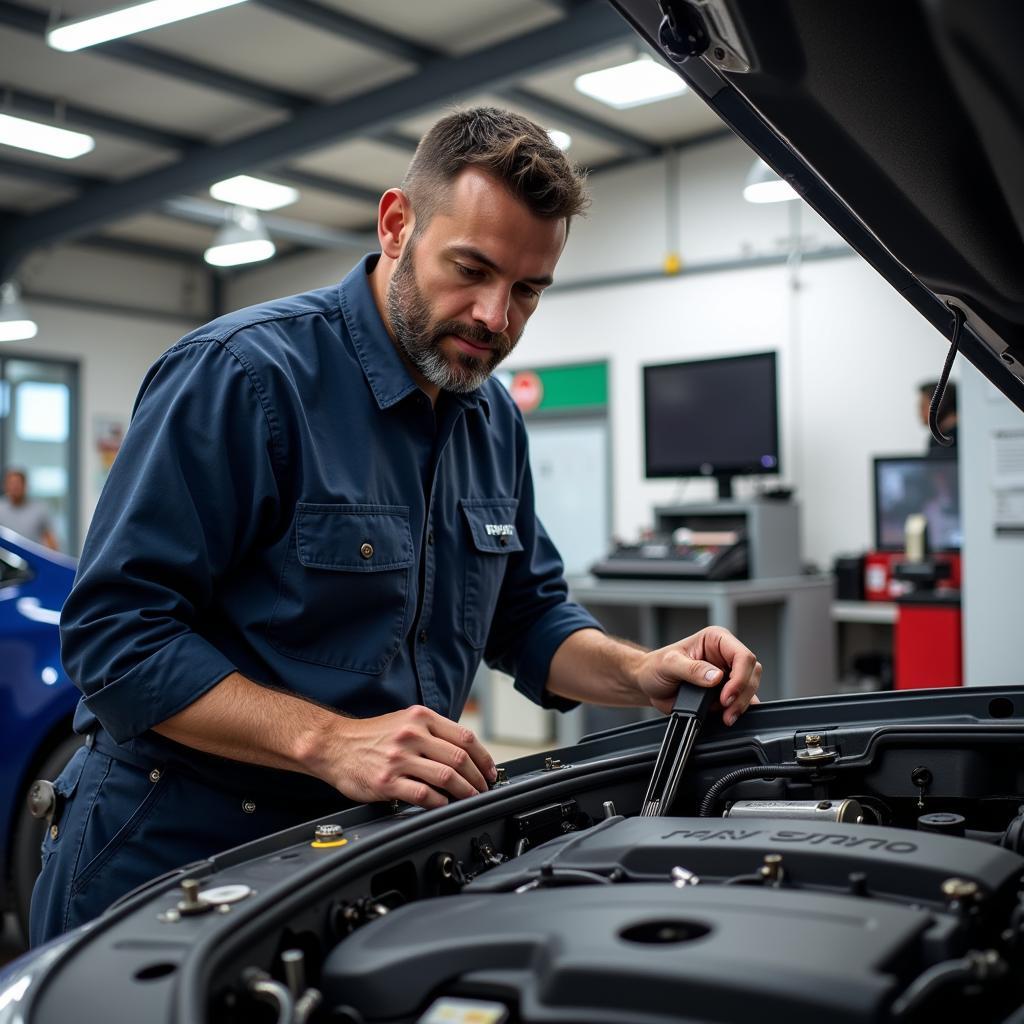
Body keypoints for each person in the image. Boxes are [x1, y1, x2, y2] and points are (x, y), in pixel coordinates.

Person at [30, 108, 761, 945]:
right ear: (395, 224)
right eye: (472, 269)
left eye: (527, 290)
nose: (496, 316)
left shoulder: (491, 421)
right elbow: (115, 637)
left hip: (363, 852)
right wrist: (329, 740)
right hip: (171, 854)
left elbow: (526, 618)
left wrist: (643, 672)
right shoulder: (243, 377)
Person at [0, 467, 58, 550]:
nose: (15, 487)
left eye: (18, 483)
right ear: (6, 486)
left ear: (25, 485)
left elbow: (50, 540)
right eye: (11, 483)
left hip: (32, 560)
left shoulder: (39, 509)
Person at [919, 379, 957, 452]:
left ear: (939, 404)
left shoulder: (963, 436)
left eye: (923, 407)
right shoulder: (935, 439)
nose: (920, 413)